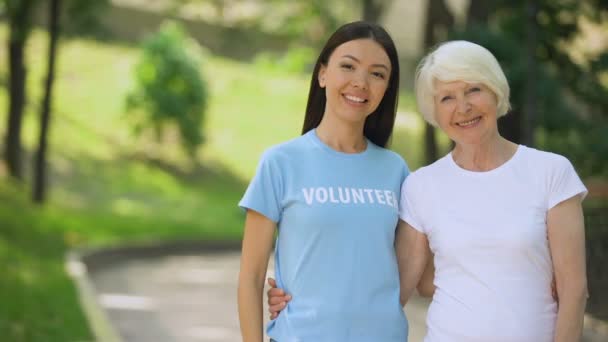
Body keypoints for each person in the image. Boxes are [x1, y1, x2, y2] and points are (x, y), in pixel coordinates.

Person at [268, 40, 589, 342]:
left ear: (495, 92)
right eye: (446, 98)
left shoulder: (550, 172)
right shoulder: (422, 186)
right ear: (434, 112)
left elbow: (574, 289)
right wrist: (302, 296)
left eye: (473, 90)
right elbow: (397, 286)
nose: (462, 107)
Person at [237, 21, 410, 342]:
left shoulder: (396, 170)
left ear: (387, 88)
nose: (361, 82)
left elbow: (406, 271)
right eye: (348, 66)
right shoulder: (281, 163)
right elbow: (251, 276)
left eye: (377, 74)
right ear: (322, 74)